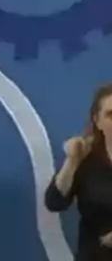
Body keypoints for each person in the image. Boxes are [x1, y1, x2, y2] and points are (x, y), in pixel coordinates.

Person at [45, 83, 112, 259]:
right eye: (111, 115)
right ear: (96, 120)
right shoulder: (86, 159)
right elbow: (55, 202)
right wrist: (72, 161)